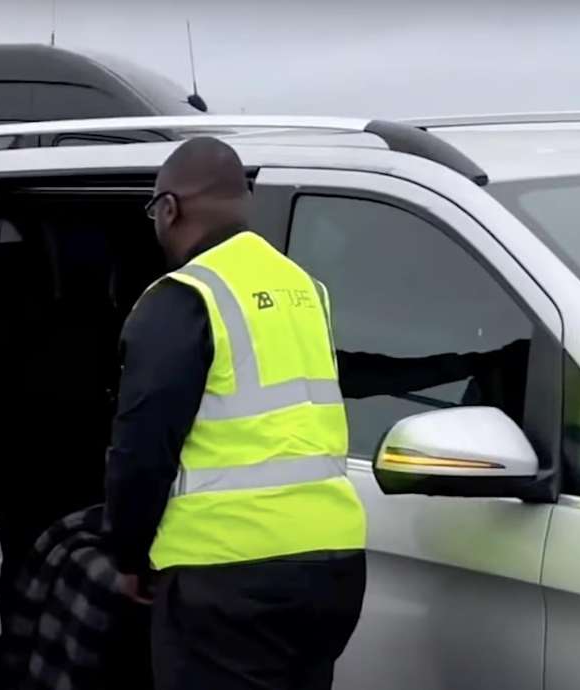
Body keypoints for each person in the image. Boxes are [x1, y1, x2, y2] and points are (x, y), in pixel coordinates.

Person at [106, 137, 368, 690]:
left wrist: (128, 554)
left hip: (228, 574)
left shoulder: (183, 297)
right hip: (333, 566)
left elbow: (142, 449)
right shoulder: (305, 288)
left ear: (170, 208)